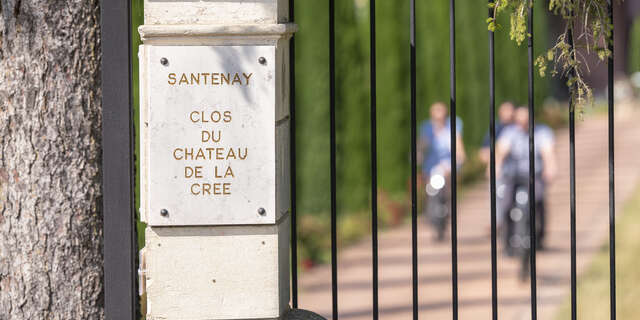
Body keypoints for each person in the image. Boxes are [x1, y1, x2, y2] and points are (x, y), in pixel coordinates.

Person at [495, 106, 556, 249]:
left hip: (534, 175)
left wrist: (550, 167)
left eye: (526, 120)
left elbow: (548, 153)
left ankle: (539, 236)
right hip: (513, 175)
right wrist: (496, 166)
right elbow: (502, 151)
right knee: (506, 205)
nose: (522, 123)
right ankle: (508, 239)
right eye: (519, 120)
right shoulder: (509, 132)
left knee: (539, 200)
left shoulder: (542, 132)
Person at [420, 102, 466, 180]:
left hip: (448, 165)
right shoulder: (426, 128)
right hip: (430, 166)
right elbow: (421, 147)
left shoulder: (452, 126)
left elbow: (460, 152)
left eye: (439, 110)